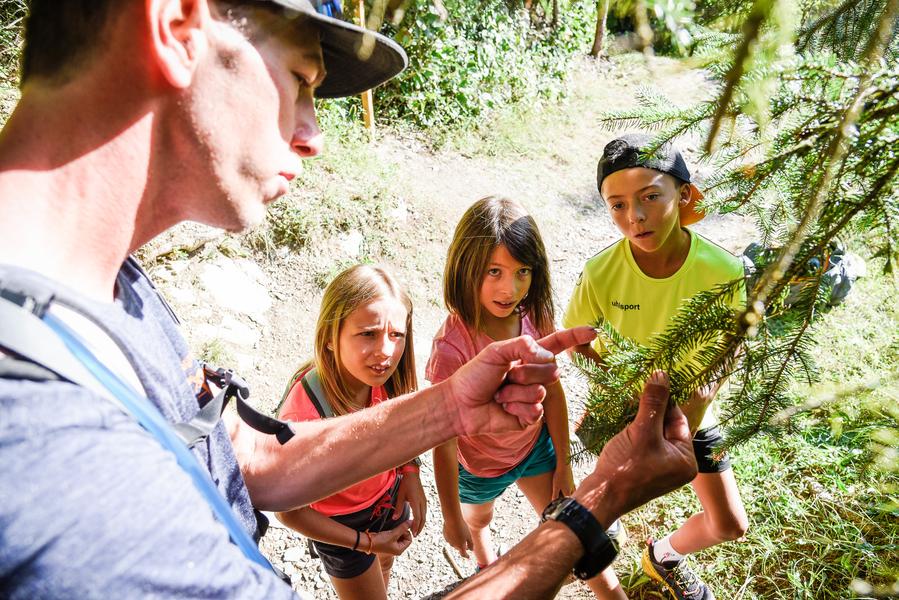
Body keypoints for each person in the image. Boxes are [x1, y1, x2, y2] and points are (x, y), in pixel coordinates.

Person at [0, 2, 697, 598]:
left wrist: (450, 404)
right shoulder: (55, 460)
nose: (313, 132)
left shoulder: (94, 284)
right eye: (301, 80)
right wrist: (596, 502)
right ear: (177, 25)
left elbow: (247, 458)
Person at [564, 133, 750, 600]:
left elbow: (731, 346)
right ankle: (608, 540)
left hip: (696, 419)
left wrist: (695, 406)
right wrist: (616, 385)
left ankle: (663, 554)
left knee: (729, 525)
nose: (636, 217)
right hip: (627, 414)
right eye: (618, 205)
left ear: (683, 193)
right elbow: (576, 339)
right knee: (604, 506)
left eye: (650, 197)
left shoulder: (722, 270)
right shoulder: (602, 271)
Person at [426, 196, 624, 598]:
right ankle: (485, 562)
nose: (509, 288)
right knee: (478, 520)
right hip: (478, 467)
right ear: (465, 267)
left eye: (522, 272)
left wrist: (565, 462)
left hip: (535, 450)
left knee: (574, 528)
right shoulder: (452, 348)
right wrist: (451, 517)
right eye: (493, 271)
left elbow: (553, 392)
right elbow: (443, 442)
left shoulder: (535, 318)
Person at [276, 264, 426, 600]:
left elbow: (403, 425)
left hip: (387, 501)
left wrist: (410, 470)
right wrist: (367, 543)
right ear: (330, 337)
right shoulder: (305, 416)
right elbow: (290, 512)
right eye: (368, 333)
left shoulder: (388, 380)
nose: (386, 352)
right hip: (342, 529)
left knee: (384, 567)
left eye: (396, 335)